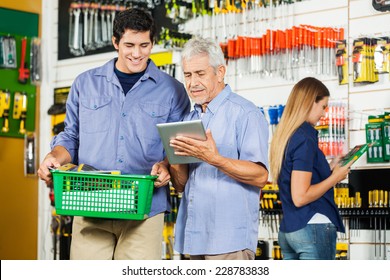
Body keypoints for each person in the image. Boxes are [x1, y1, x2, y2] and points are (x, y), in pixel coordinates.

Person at [37, 8, 190, 260]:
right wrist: (54, 156)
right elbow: (71, 137)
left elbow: (176, 149)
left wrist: (165, 165)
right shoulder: (85, 84)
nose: (137, 53)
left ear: (153, 43)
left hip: (144, 211)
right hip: (90, 205)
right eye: (129, 45)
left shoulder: (173, 91)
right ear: (115, 42)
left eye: (144, 45)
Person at [169, 37, 269, 260]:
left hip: (228, 242)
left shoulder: (245, 114)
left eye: (200, 73)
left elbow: (261, 176)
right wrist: (172, 160)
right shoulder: (188, 119)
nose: (193, 82)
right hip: (192, 239)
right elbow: (182, 185)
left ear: (220, 72)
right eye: (187, 75)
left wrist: (215, 159)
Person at [269, 77, 353, 260]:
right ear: (309, 102)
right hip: (312, 227)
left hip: (290, 230)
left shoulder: (287, 135)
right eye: (323, 107)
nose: (324, 114)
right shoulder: (305, 137)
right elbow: (300, 197)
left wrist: (330, 168)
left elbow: (298, 178)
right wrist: (335, 178)